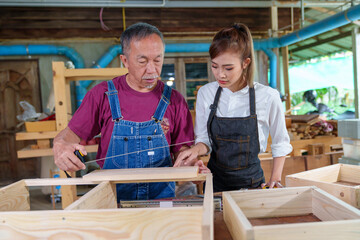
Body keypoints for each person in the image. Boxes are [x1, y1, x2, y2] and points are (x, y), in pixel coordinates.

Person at [53, 22, 201, 201]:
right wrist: (60, 145)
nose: (152, 70)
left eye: (157, 60)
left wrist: (190, 163)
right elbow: (69, 135)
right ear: (125, 61)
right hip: (112, 199)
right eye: (142, 61)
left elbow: (181, 151)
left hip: (161, 199)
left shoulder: (175, 100)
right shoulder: (102, 95)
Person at [174, 23, 293, 192]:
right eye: (214, 66)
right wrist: (195, 150)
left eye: (228, 68)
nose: (220, 74)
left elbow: (280, 142)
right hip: (215, 182)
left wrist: (275, 179)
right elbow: (205, 140)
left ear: (246, 63)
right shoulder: (206, 93)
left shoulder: (268, 96)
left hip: (252, 183)